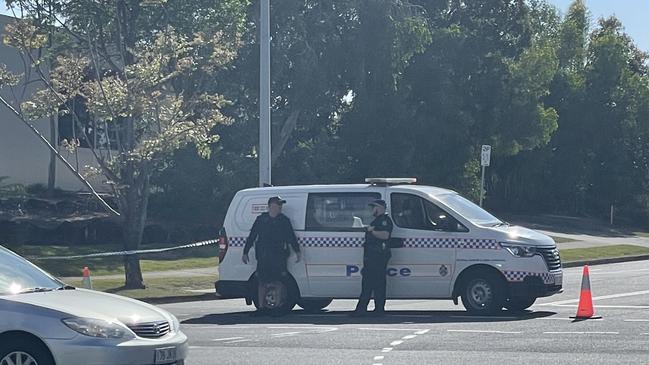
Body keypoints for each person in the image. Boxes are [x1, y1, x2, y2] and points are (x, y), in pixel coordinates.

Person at [242, 196, 301, 316]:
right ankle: (261, 308)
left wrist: (297, 251)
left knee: (279, 281)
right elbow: (252, 235)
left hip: (279, 256)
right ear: (271, 206)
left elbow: (291, 237)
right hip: (264, 256)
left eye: (281, 205)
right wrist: (245, 251)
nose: (280, 207)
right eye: (278, 205)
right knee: (262, 281)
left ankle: (278, 307)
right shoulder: (261, 220)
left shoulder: (284, 220)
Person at [351, 199, 394, 317]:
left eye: (373, 207)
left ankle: (365, 310)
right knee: (372, 284)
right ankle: (372, 309)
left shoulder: (384, 221)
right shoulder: (378, 220)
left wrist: (372, 231)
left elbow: (385, 235)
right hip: (373, 257)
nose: (372, 210)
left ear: (379, 208)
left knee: (372, 284)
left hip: (377, 257)